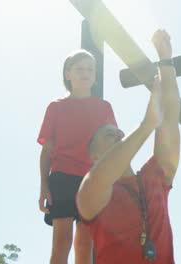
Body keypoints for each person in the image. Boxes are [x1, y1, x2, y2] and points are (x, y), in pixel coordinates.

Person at [76, 29, 180, 264]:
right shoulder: (89, 192)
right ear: (94, 155)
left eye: (119, 132)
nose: (119, 134)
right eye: (109, 134)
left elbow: (171, 117)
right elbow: (100, 178)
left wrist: (166, 62)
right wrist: (147, 125)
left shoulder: (155, 177)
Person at [37, 49, 117, 264]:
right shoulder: (55, 107)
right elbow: (46, 150)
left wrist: (113, 184)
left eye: (90, 69)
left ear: (95, 75)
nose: (86, 73)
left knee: (85, 243)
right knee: (62, 241)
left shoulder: (104, 107)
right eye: (80, 69)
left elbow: (113, 149)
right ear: (68, 74)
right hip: (62, 177)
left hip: (92, 180)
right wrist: (44, 185)